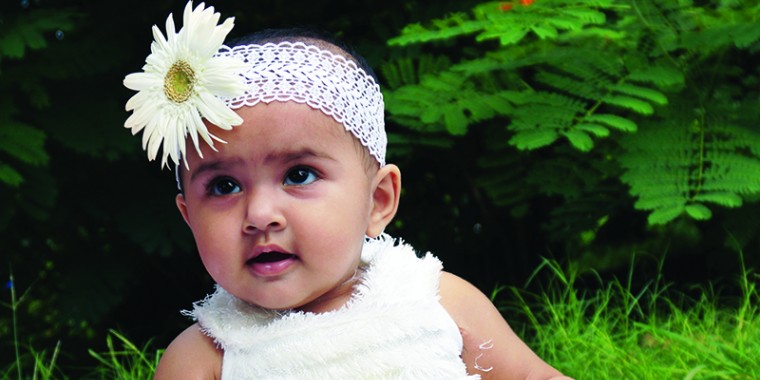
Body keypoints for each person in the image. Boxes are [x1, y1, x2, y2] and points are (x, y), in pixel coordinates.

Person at [123, 2, 573, 379]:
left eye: (298, 175)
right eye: (224, 186)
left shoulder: (432, 300)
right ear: (188, 217)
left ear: (378, 201)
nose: (260, 214)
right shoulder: (207, 357)